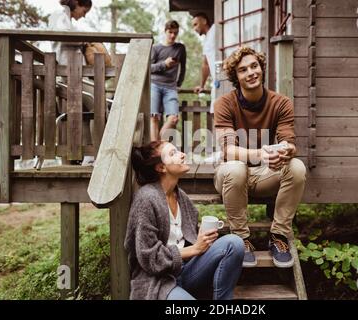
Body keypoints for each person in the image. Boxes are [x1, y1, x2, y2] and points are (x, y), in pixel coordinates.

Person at [213, 47, 307, 268]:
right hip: (231, 176)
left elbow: (289, 141)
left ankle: (279, 236)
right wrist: (261, 153)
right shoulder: (224, 104)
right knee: (236, 167)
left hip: (265, 175)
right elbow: (228, 150)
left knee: (297, 167)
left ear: (261, 68)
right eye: (243, 70)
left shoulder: (281, 103)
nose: (251, 73)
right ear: (236, 77)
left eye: (254, 66)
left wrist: (283, 151)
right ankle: (241, 239)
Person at [125, 141, 244, 300]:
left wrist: (201, 240)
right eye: (173, 153)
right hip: (159, 280)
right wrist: (195, 248)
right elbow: (149, 257)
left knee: (234, 243)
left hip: (186, 271)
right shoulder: (146, 199)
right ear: (161, 167)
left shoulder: (181, 197)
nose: (182, 155)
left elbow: (187, 238)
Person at [48, 0, 95, 166]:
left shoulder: (65, 17)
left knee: (86, 113)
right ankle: (90, 154)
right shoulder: (59, 15)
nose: (83, 16)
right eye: (85, 11)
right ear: (78, 4)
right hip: (69, 75)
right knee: (97, 106)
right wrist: (83, 41)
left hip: (74, 74)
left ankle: (88, 156)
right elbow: (62, 34)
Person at [150, 20, 187, 142]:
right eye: (170, 32)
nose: (172, 35)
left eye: (175, 33)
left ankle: (159, 145)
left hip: (171, 87)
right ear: (165, 31)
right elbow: (148, 68)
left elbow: (183, 68)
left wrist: (179, 83)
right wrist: (164, 64)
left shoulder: (180, 48)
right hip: (154, 85)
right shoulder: (156, 48)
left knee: (174, 118)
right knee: (154, 117)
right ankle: (154, 154)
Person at [192, 12, 217, 114]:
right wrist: (202, 85)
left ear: (204, 21)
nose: (194, 29)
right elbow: (205, 65)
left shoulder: (216, 29)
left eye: (195, 24)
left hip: (226, 78)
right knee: (215, 113)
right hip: (216, 82)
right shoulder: (206, 40)